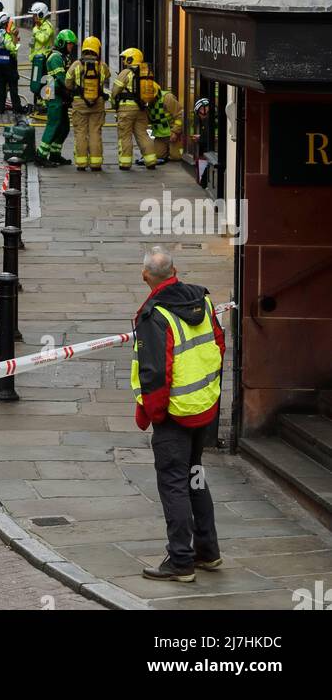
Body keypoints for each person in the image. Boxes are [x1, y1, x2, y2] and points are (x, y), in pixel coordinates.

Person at [133, 245, 225, 584]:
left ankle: (181, 560)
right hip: (203, 406)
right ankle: (208, 551)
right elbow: (219, 343)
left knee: (174, 485)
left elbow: (155, 372)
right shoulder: (202, 300)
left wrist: (151, 413)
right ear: (174, 272)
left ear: (145, 276)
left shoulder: (155, 315)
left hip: (173, 415)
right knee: (195, 476)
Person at [65, 36, 110, 172]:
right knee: (95, 132)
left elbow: (67, 82)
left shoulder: (76, 65)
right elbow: (107, 77)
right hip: (98, 103)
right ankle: (96, 163)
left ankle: (81, 163)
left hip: (79, 103)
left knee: (80, 133)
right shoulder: (102, 66)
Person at [111, 47, 159, 172]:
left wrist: (114, 104)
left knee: (125, 135)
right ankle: (151, 161)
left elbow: (115, 91)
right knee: (143, 134)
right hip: (141, 109)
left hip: (126, 109)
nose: (123, 61)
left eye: (125, 58)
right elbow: (154, 90)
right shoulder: (145, 72)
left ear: (131, 58)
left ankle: (125, 163)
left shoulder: (125, 73)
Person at [35, 29, 77, 166]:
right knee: (53, 124)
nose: (71, 47)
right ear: (61, 43)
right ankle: (41, 155)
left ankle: (55, 154)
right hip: (53, 95)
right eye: (69, 44)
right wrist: (74, 90)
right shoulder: (55, 58)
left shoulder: (65, 57)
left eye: (72, 44)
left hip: (60, 95)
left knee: (64, 126)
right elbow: (61, 78)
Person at [0, 10, 22, 117]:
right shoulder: (4, 35)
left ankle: (0, 108)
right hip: (8, 64)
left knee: (0, 86)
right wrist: (14, 39)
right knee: (12, 86)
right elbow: (11, 48)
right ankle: (16, 108)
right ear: (5, 23)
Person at [28, 3, 54, 120]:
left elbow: (43, 39)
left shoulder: (47, 26)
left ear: (41, 14)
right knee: (36, 82)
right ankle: (39, 102)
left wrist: (35, 30)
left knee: (45, 82)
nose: (33, 18)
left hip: (45, 59)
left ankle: (46, 103)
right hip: (37, 60)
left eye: (34, 15)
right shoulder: (38, 27)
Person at [150, 88, 183, 163]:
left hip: (173, 134)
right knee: (158, 156)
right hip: (160, 135)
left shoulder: (167, 98)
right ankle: (167, 149)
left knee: (176, 157)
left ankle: (174, 148)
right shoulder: (147, 102)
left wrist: (175, 131)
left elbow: (180, 115)